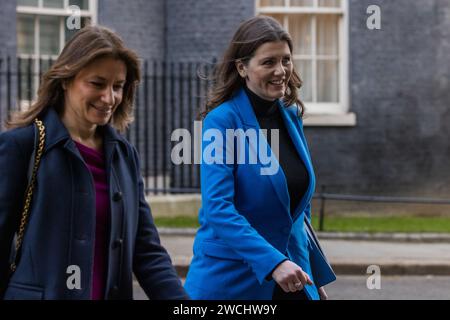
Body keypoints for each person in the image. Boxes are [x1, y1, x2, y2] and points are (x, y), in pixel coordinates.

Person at [0, 25, 188, 300]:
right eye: (97, 84)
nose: (109, 97)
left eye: (118, 86)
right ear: (65, 79)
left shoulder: (125, 156)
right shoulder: (22, 146)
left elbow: (146, 251)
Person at [184, 16, 335, 300]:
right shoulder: (222, 122)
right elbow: (218, 209)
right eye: (268, 62)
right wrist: (274, 262)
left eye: (286, 60)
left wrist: (312, 274)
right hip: (233, 281)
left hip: (292, 277)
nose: (281, 71)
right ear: (242, 67)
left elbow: (297, 211)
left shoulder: (290, 115)